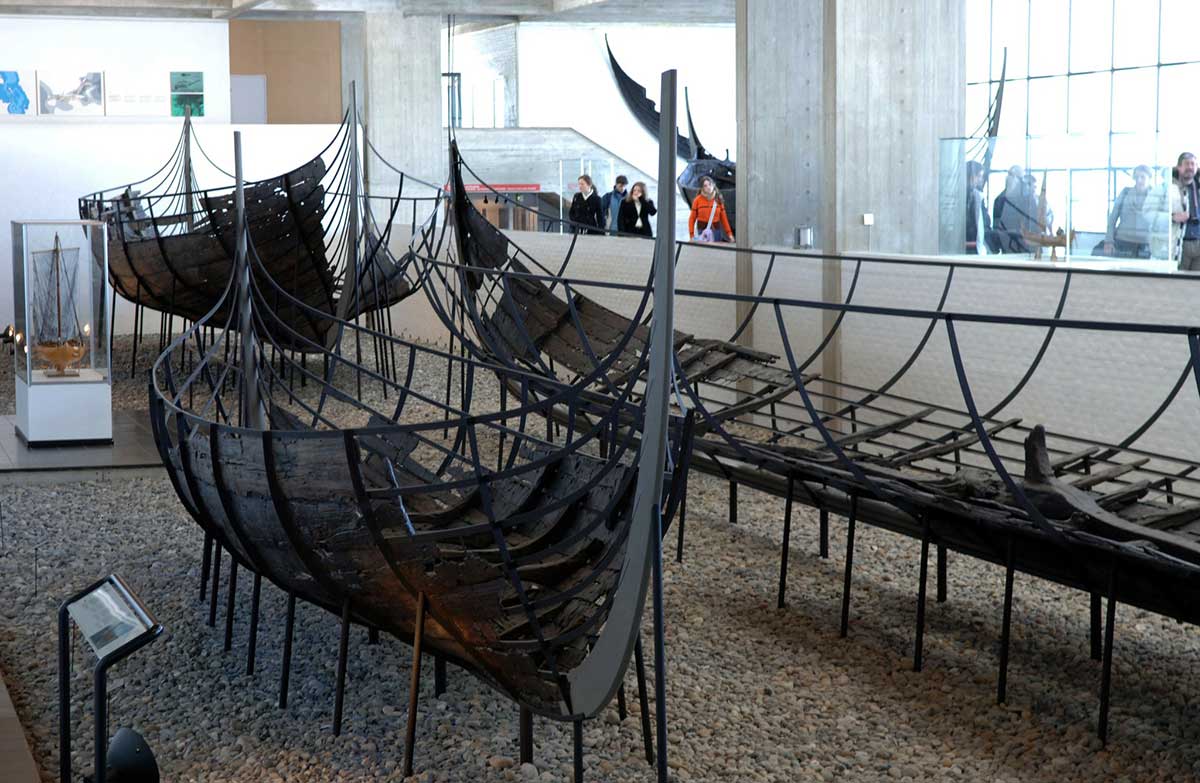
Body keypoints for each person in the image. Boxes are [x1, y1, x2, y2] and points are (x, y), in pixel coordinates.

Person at [1102, 165, 1160, 259]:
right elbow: (1112, 218)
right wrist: (1108, 241)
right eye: (1136, 177)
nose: (1139, 180)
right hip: (1123, 242)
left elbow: (1160, 222)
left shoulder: (1156, 195)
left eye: (1142, 177)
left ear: (1149, 178)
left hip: (1146, 244)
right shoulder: (1125, 192)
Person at [993, 165, 1032, 253]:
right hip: (1007, 245)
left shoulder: (1027, 200)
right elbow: (997, 225)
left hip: (1024, 246)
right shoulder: (999, 200)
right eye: (1010, 175)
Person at [1173, 152, 1200, 271]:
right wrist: (1172, 217)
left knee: (1196, 281)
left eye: (1193, 164)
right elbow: (1148, 213)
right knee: (1177, 280)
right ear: (1179, 167)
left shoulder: (1198, 187)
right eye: (1187, 164)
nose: (1190, 167)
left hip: (1198, 243)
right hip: (1179, 244)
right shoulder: (1168, 187)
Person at [965, 160, 998, 254]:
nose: (980, 179)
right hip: (969, 245)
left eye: (981, 176)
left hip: (978, 243)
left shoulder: (977, 195)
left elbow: (985, 221)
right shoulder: (964, 197)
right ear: (970, 176)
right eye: (978, 176)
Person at [688, 176, 734, 242]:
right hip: (703, 232)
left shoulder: (718, 199)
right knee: (704, 248)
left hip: (716, 231)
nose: (708, 187)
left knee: (716, 248)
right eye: (705, 186)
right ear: (702, 188)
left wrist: (730, 234)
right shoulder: (697, 200)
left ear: (713, 185)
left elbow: (724, 219)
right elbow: (692, 219)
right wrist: (691, 236)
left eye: (710, 184)